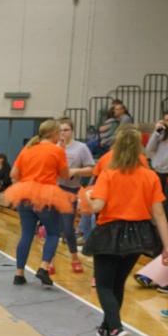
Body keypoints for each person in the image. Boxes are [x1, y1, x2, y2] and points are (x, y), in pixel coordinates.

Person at [83, 125, 168, 336]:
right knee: (117, 284)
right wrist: (167, 245)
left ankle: (115, 328)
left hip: (110, 232)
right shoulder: (150, 176)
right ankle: (106, 327)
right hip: (138, 235)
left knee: (103, 285)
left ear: (117, 147)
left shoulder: (109, 174)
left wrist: (86, 196)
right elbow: (159, 214)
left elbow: (97, 207)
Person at [4, 119, 72, 287]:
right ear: (55, 134)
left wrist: (29, 180)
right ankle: (43, 267)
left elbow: (14, 173)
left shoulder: (27, 149)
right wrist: (61, 150)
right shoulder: (57, 150)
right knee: (53, 233)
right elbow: (64, 175)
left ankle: (19, 273)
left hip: (25, 193)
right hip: (46, 194)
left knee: (26, 234)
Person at [54, 117, 95, 273]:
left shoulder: (81, 148)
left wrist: (76, 171)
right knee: (53, 226)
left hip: (70, 189)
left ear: (72, 131)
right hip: (54, 188)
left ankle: (74, 257)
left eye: (66, 130)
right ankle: (49, 261)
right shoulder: (54, 146)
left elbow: (92, 169)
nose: (63, 133)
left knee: (67, 226)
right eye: (61, 130)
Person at [146, 110, 168, 215]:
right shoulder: (160, 132)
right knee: (159, 200)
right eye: (167, 120)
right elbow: (149, 148)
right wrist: (156, 132)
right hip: (159, 170)